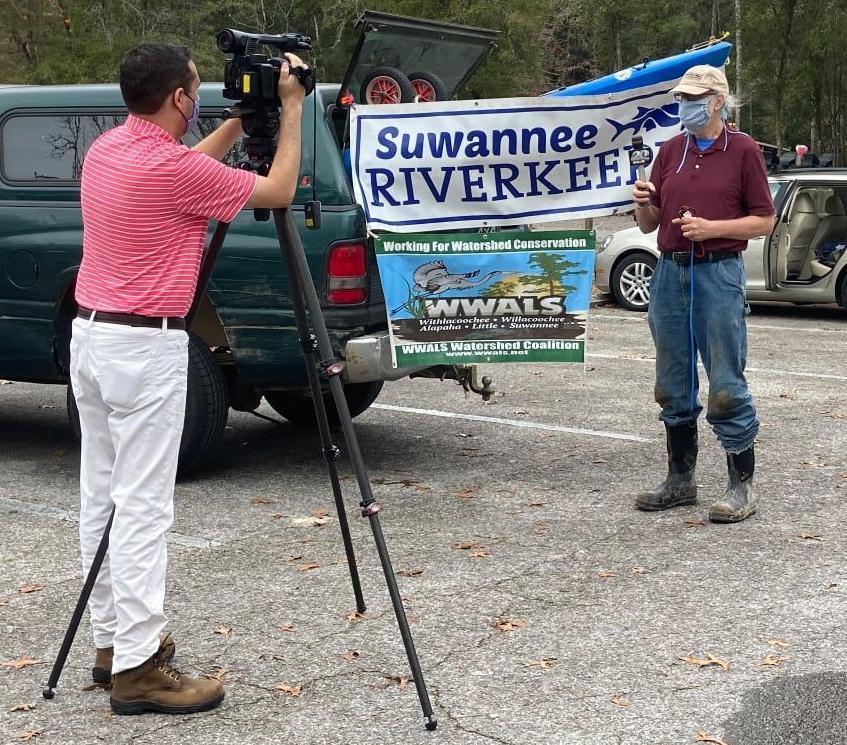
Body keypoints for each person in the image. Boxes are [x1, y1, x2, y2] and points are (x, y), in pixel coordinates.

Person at [71, 42, 307, 715]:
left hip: (92, 337)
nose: (200, 97)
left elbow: (183, 170)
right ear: (178, 99)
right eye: (197, 90)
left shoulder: (110, 151)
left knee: (103, 497)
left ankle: (113, 642)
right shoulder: (170, 170)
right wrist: (287, 111)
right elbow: (279, 189)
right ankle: (141, 669)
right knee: (143, 507)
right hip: (144, 347)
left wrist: (235, 121)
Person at [630, 65, 775, 523]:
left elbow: (764, 220)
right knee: (671, 381)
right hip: (669, 274)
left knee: (726, 382)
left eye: (694, 98)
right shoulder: (670, 150)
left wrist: (712, 229)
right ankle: (680, 481)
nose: (684, 106)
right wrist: (642, 202)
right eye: (681, 98)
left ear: (717, 101)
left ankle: (741, 486)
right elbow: (649, 225)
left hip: (718, 274)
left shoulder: (744, 150)